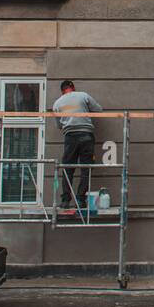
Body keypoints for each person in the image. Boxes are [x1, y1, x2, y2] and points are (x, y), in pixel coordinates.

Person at [52, 80, 102, 214]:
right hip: (86, 135)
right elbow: (98, 109)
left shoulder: (57, 103)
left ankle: (65, 200)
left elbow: (59, 125)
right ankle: (80, 199)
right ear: (73, 88)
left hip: (70, 137)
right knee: (86, 168)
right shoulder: (83, 96)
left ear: (62, 91)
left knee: (68, 168)